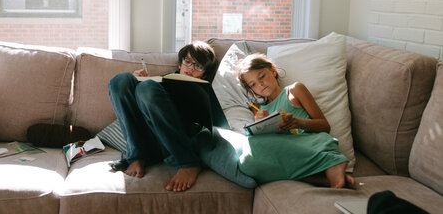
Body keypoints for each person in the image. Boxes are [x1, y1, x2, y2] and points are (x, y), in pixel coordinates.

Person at [108, 41, 228, 192]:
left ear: (205, 72)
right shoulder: (164, 80)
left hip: (175, 141)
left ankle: (189, 162)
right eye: (188, 62)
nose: (190, 68)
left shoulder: (205, 90)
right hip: (147, 140)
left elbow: (214, 124)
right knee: (120, 81)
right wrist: (138, 81)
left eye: (198, 66)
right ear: (179, 64)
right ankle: (137, 156)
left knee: (147, 89)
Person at [235, 53, 356, 189]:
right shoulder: (258, 109)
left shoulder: (294, 90)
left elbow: (324, 126)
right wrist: (258, 124)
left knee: (315, 145)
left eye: (262, 76)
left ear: (273, 70)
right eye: (253, 84)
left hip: (310, 143)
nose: (260, 84)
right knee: (247, 162)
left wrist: (298, 123)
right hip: (287, 153)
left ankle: (332, 164)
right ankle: (323, 179)